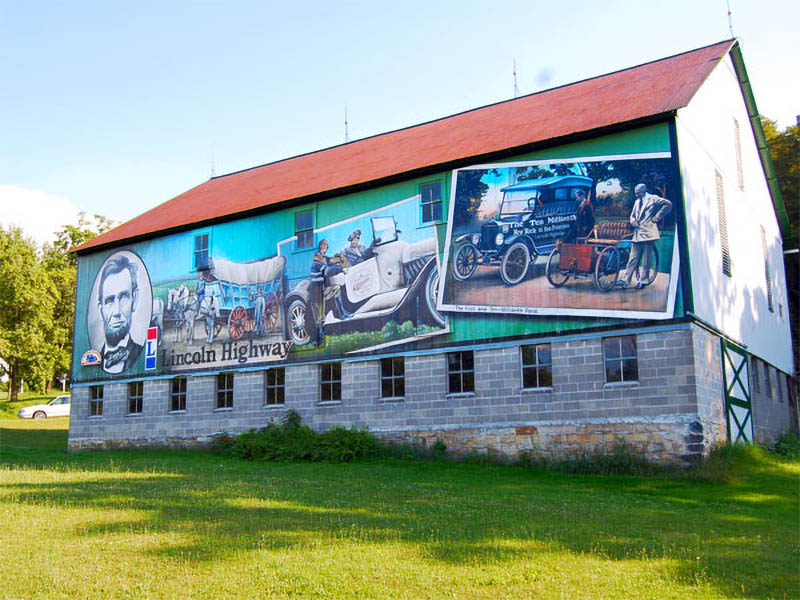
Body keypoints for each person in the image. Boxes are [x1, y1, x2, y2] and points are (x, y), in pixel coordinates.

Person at [617, 183, 672, 289]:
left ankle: (643, 280)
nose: (636, 195)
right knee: (632, 258)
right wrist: (633, 222)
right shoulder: (637, 202)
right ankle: (626, 280)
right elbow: (632, 216)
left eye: (638, 193)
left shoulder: (653, 198)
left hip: (648, 233)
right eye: (635, 194)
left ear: (643, 191)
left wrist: (657, 216)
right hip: (637, 233)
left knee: (646, 259)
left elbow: (668, 204)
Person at [97, 255, 144, 373]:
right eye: (109, 300)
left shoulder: (140, 354)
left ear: (135, 299)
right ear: (100, 309)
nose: (117, 312)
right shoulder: (93, 361)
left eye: (123, 297)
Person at [311, 239, 352, 319]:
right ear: (320, 248)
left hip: (323, 289)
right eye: (323, 249)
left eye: (326, 249)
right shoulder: (316, 261)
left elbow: (331, 261)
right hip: (317, 291)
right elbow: (327, 270)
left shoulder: (323, 259)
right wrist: (341, 269)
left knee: (337, 288)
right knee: (319, 316)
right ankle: (340, 314)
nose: (325, 251)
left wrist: (339, 257)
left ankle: (342, 313)